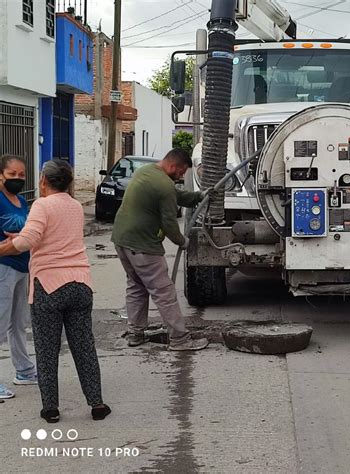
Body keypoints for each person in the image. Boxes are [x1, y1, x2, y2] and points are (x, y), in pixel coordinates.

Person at [0, 159, 110, 423]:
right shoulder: (74, 206)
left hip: (49, 286)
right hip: (80, 283)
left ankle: (51, 408)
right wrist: (23, 237)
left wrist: (11, 244)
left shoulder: (42, 204)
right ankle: (97, 404)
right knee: (84, 347)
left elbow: (28, 241)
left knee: (47, 350)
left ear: (43, 180)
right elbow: (55, 236)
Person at [112, 148, 210, 350]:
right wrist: (182, 241)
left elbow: (177, 195)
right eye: (182, 171)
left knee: (137, 287)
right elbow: (169, 222)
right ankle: (180, 339)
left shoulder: (147, 171)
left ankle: (135, 334)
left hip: (122, 240)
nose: (182, 176)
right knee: (164, 292)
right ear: (173, 165)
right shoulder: (164, 185)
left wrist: (199, 196)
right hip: (142, 246)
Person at [0, 155, 37, 400]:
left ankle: (24, 371)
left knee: (18, 323)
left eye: (21, 175)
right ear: (1, 175)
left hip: (23, 267)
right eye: (12, 174)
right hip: (3, 266)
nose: (17, 179)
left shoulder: (21, 201)